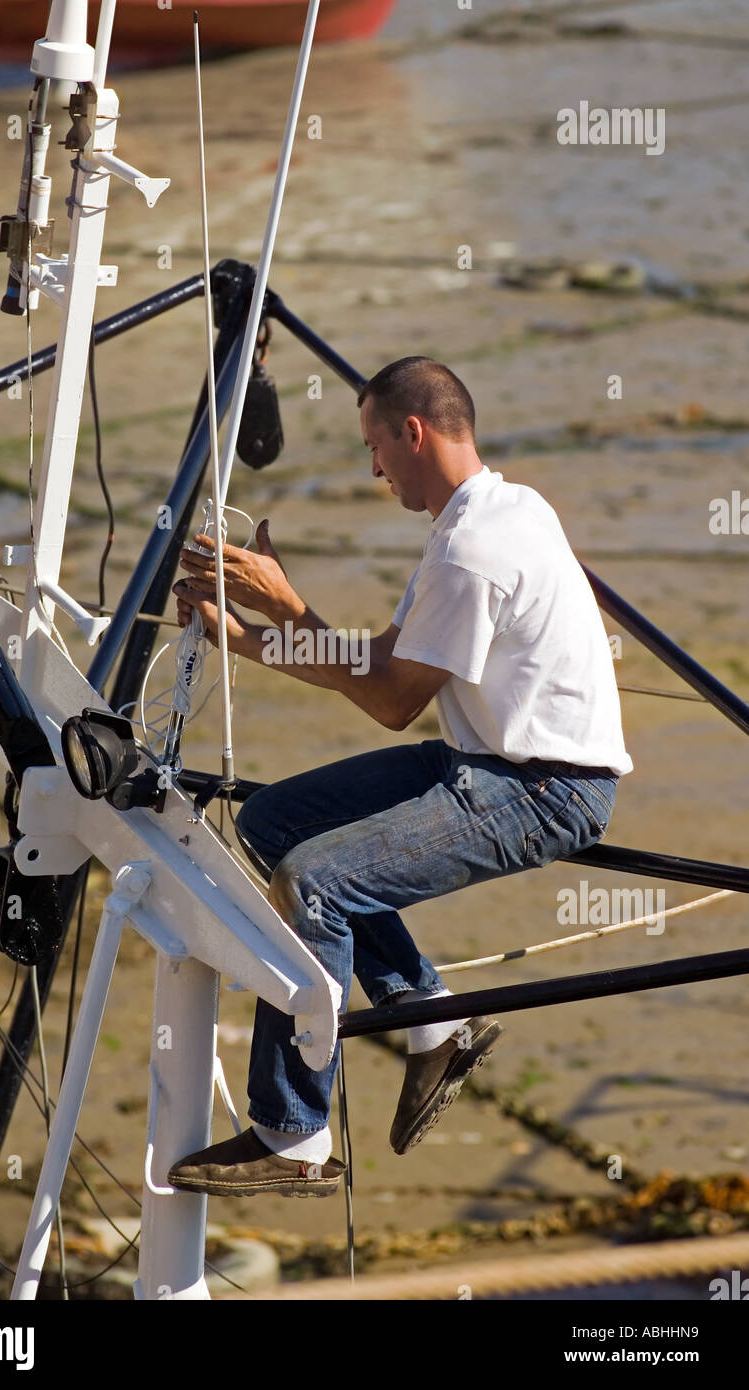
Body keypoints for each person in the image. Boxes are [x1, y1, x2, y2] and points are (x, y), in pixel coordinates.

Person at [167, 356, 632, 1198]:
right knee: (273, 821)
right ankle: (435, 1025)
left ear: (411, 432)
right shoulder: (497, 509)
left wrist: (283, 601)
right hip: (481, 760)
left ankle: (293, 1134)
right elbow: (383, 660)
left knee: (317, 881)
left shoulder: (473, 549)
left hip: (543, 789)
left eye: (375, 446)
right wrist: (249, 631)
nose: (373, 468)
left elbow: (389, 702)